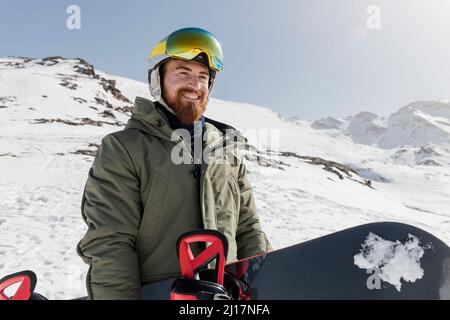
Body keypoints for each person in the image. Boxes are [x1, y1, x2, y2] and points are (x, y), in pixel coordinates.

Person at [77, 27, 271, 300]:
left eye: (203, 77)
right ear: (158, 79)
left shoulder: (226, 151)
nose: (195, 84)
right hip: (160, 293)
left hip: (227, 295)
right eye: (183, 73)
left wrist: (265, 286)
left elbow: (248, 228)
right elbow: (111, 242)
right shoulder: (124, 148)